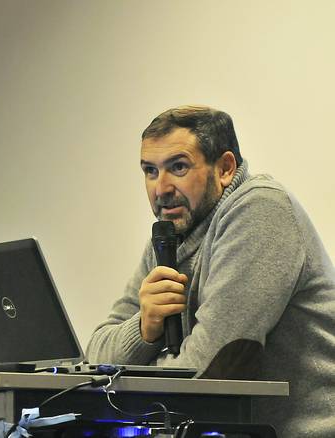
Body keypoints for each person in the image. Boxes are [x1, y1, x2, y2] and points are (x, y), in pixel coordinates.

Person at [86, 105, 335, 436]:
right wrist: (145, 329)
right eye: (150, 171)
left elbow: (208, 372)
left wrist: (134, 371)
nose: (161, 189)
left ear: (225, 169)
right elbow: (95, 357)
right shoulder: (167, 237)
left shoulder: (259, 209)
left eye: (178, 167)